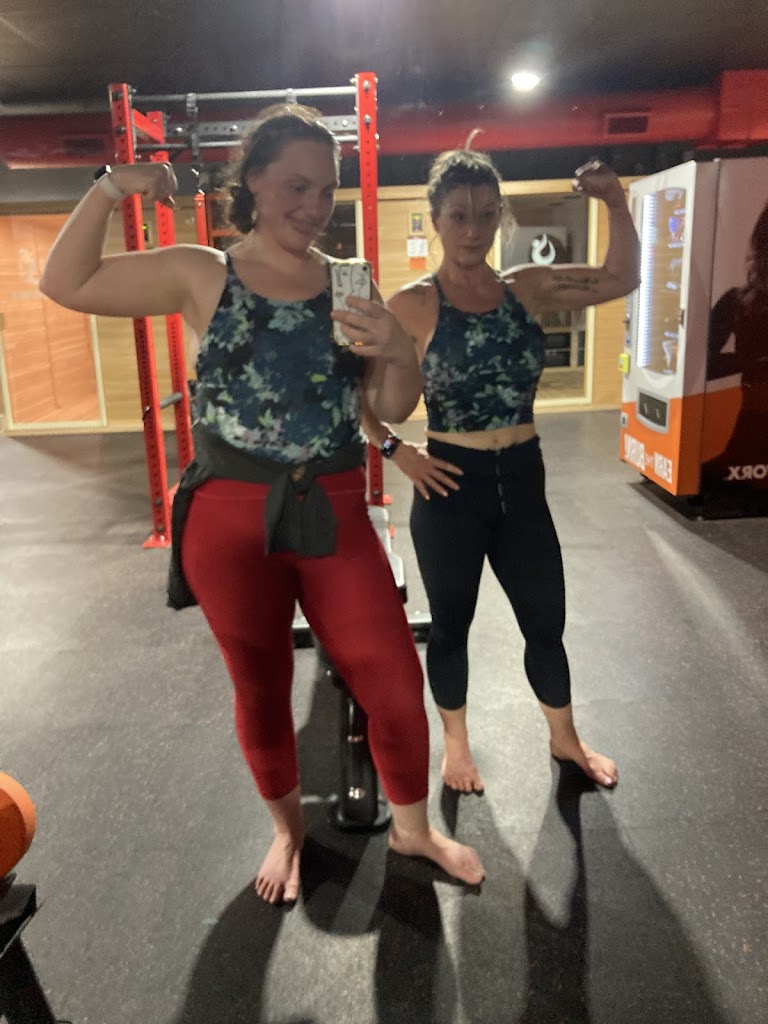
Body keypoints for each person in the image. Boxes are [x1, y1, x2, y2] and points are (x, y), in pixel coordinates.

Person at [39, 105, 485, 903]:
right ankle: (287, 832)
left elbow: (391, 404)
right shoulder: (203, 272)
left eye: (326, 189)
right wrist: (110, 188)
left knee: (390, 675)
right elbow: (64, 282)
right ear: (252, 182)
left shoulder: (349, 281)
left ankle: (413, 830)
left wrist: (397, 349)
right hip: (230, 516)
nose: (314, 206)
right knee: (261, 684)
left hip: (334, 505)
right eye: (296, 186)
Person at [362, 149, 640, 794]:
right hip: (450, 485)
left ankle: (565, 737)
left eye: (487, 215)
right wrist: (397, 451)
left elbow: (621, 277)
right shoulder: (411, 305)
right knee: (451, 627)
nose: (473, 229)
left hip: (521, 476)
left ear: (500, 218)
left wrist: (615, 201)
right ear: (435, 218)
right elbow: (360, 401)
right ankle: (456, 749)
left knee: (546, 622)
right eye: (459, 215)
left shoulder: (527, 288)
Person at [703, 195, 768, 485]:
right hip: (752, 423)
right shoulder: (737, 302)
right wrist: (750, 363)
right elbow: (701, 363)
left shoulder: (738, 301)